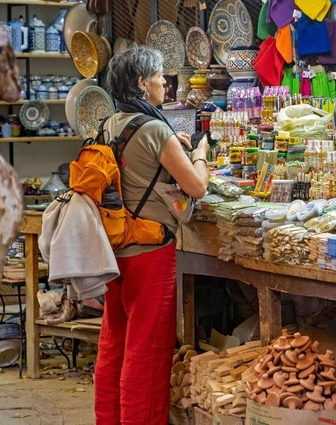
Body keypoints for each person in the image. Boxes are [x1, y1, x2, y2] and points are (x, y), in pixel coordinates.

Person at [94, 45, 210, 425]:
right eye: (160, 75)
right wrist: (201, 154)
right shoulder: (156, 129)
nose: (165, 81)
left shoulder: (109, 124)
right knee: (147, 350)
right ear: (142, 84)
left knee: (115, 342)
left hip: (114, 248)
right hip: (149, 250)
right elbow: (195, 188)